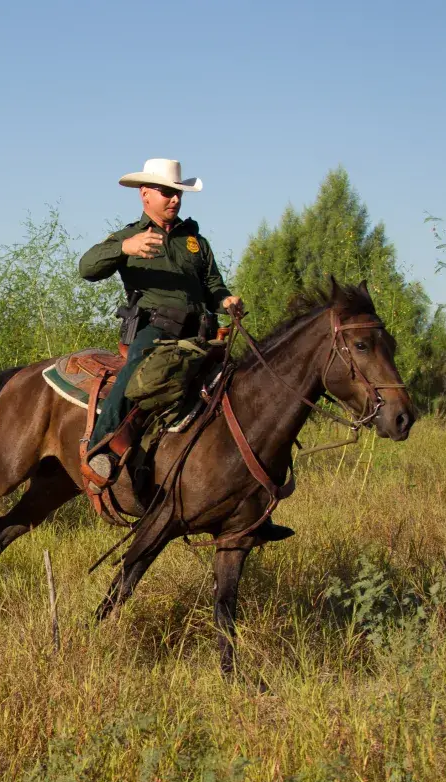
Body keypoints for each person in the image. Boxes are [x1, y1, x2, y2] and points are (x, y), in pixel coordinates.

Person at [78, 159, 293, 541]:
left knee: (246, 395)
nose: (174, 198)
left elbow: (214, 284)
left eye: (177, 192)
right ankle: (103, 452)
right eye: (166, 192)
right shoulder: (128, 237)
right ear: (145, 194)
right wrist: (125, 248)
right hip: (155, 330)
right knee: (134, 378)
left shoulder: (194, 240)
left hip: (202, 336)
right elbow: (87, 267)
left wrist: (226, 300)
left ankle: (251, 500)